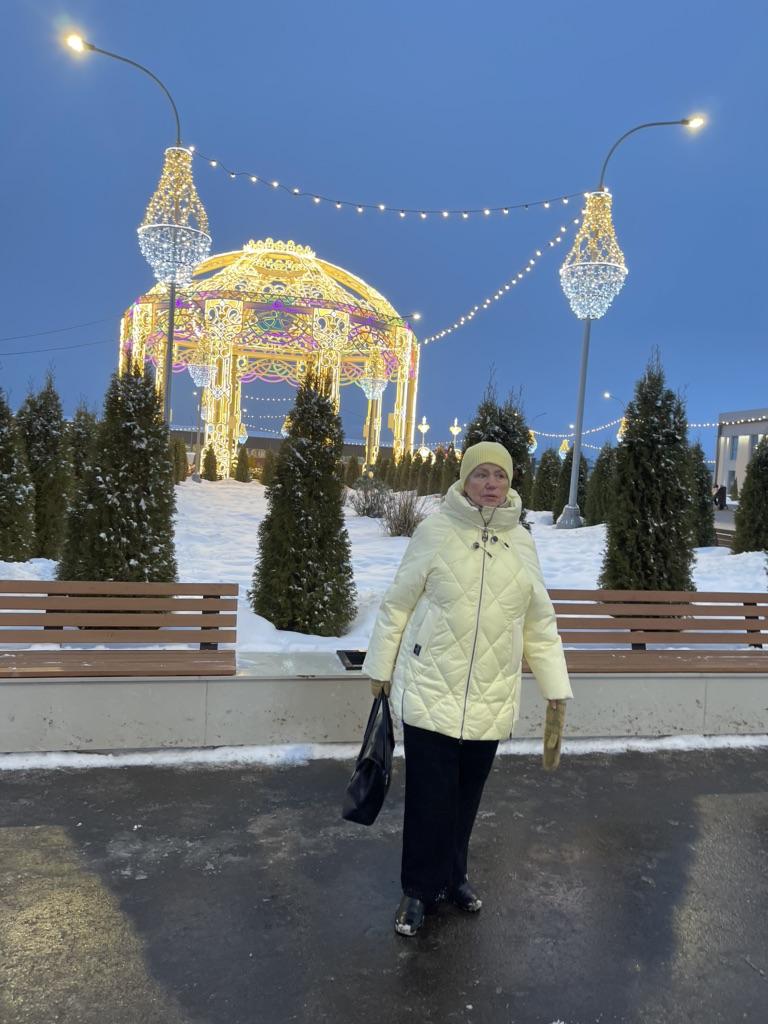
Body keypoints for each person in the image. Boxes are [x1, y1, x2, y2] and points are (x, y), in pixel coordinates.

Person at [363, 441, 573, 937]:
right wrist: (381, 668)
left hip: (490, 692)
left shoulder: (522, 542)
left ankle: (453, 877)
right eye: (481, 475)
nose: (491, 484)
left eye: (499, 476)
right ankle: (418, 890)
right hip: (431, 684)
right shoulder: (435, 531)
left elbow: (539, 622)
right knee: (429, 798)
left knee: (466, 797)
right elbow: (397, 604)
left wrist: (555, 687)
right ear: (464, 480)